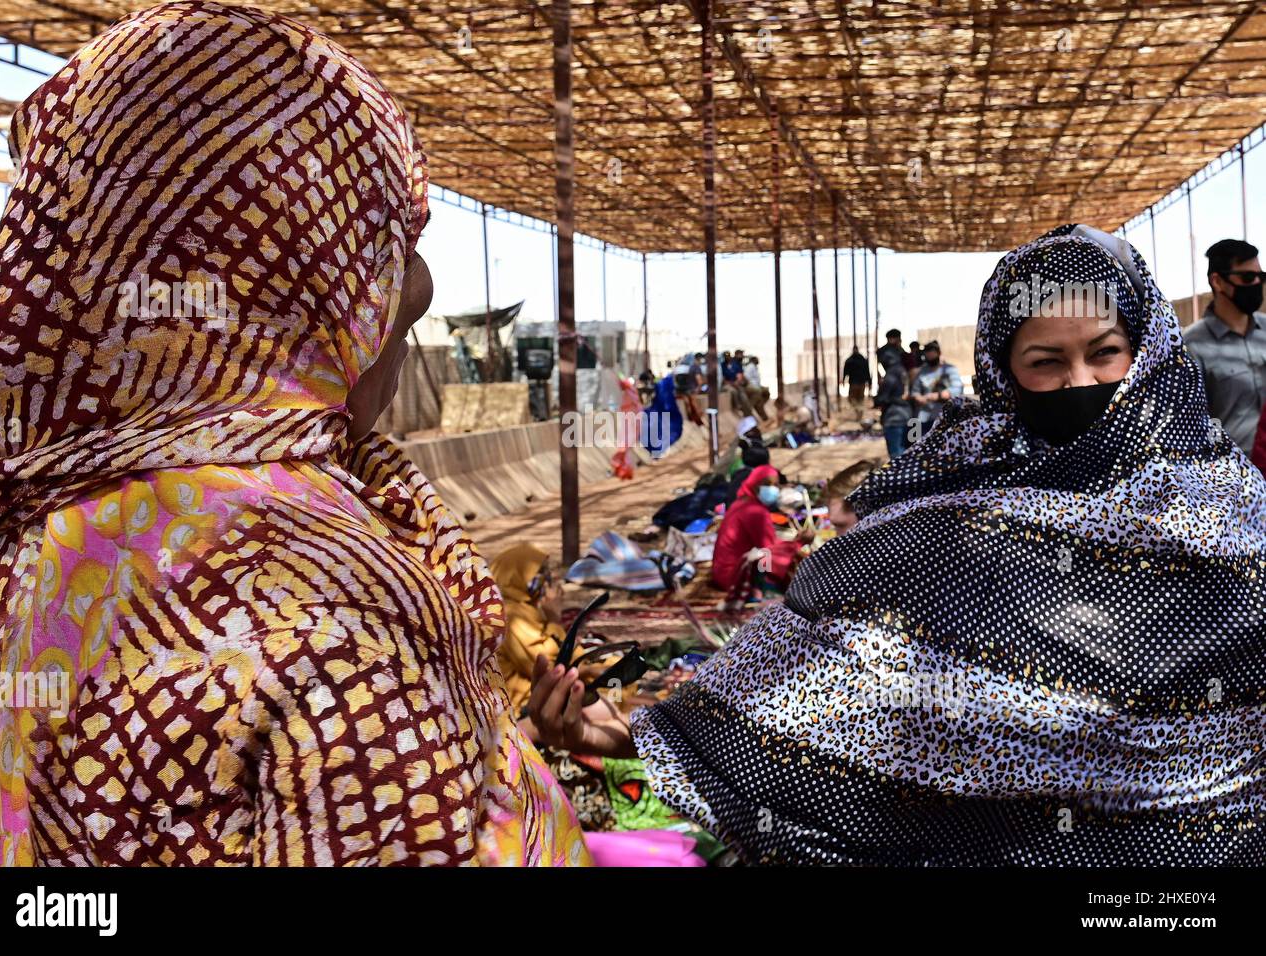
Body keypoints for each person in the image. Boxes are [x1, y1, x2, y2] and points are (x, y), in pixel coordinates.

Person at [0, 2, 590, 867]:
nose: (393, 334)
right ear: (307, 291)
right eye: (383, 291)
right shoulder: (325, 602)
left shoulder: (19, 541)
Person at [529, 223, 1266, 865]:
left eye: (1107, 353)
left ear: (1146, 354)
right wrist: (645, 736)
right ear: (1006, 376)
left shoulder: (1236, 513)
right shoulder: (942, 525)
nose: (1081, 381)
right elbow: (825, 678)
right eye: (1045, 362)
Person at [1183, 238, 1266, 454]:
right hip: (1236, 476)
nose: (1257, 284)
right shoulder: (1191, 346)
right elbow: (1190, 426)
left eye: (1261, 277)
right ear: (1218, 282)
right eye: (1248, 277)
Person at [709, 466, 811, 600]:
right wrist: (799, 542)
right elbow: (770, 550)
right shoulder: (755, 511)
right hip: (734, 577)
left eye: (776, 485)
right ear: (755, 486)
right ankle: (764, 590)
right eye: (767, 484)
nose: (773, 489)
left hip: (721, 572)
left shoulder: (740, 504)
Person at [490, 545, 565, 715]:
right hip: (520, 706)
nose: (545, 580)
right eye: (538, 574)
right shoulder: (508, 615)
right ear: (514, 577)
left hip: (538, 692)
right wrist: (554, 619)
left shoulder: (523, 608)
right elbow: (545, 665)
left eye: (546, 571)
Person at [908, 339, 963, 442]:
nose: (930, 357)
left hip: (946, 417)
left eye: (932, 354)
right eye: (927, 354)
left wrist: (937, 395)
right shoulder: (922, 372)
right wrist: (918, 397)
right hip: (924, 418)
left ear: (939, 354)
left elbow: (957, 389)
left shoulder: (950, 370)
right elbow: (915, 391)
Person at [874, 345, 912, 458]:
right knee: (910, 456)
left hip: (895, 419)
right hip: (910, 417)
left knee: (897, 458)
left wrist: (877, 397)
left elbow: (881, 399)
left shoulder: (891, 375)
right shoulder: (903, 371)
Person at [842, 346, 871, 416]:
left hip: (854, 383)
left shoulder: (850, 360)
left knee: (853, 399)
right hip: (859, 383)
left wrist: (843, 380)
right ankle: (859, 412)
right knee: (859, 399)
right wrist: (869, 382)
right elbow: (867, 372)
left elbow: (845, 372)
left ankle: (858, 412)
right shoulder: (862, 360)